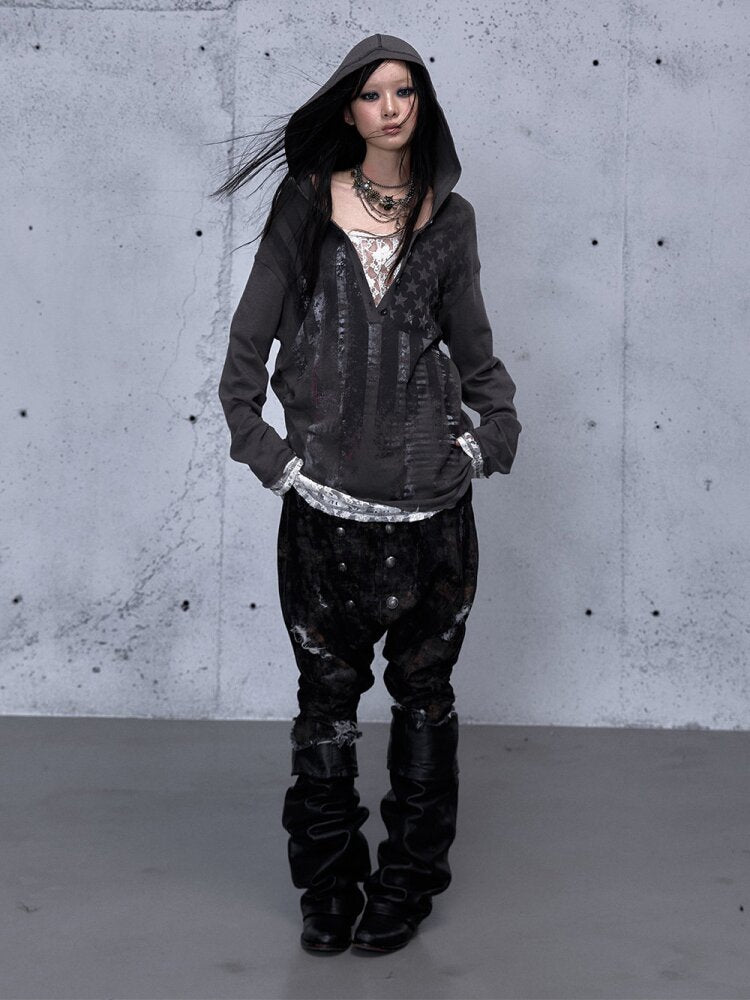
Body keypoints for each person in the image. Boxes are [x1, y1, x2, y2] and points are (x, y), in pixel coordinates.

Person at [215, 33, 522, 954]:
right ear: (348, 109)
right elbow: (244, 354)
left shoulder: (451, 219)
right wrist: (272, 458)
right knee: (327, 699)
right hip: (326, 514)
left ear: (420, 104)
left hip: (434, 516)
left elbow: (478, 355)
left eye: (405, 92)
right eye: (373, 94)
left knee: (425, 696)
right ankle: (328, 886)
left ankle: (408, 883)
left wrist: (486, 441)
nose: (391, 108)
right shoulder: (306, 204)